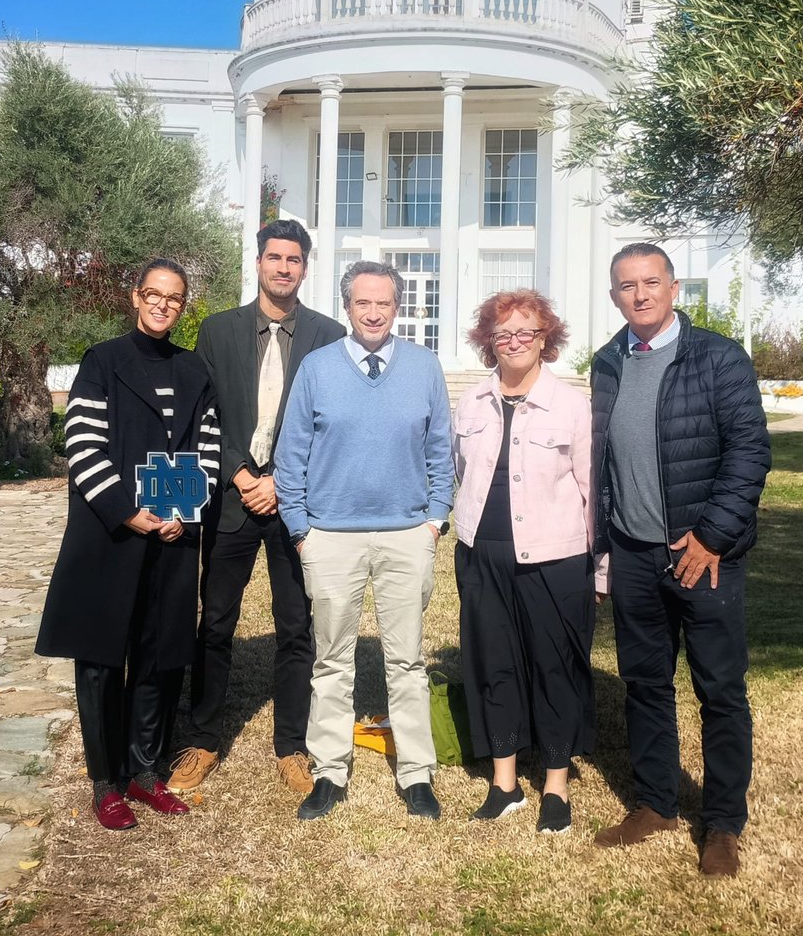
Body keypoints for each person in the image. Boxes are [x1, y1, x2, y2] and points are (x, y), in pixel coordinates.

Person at [590, 242, 771, 877]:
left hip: (705, 556)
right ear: (613, 294)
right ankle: (657, 803)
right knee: (645, 685)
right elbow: (603, 463)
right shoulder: (607, 363)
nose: (638, 295)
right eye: (625, 286)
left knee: (719, 690)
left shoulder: (718, 357)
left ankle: (721, 823)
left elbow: (748, 454)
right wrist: (603, 547)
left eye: (650, 283)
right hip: (635, 554)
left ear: (673, 288)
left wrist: (712, 537)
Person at [36, 258, 220, 830]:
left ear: (183, 306)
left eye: (175, 298)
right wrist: (130, 514)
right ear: (136, 297)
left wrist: (189, 506)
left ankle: (143, 774)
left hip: (173, 538)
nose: (164, 304)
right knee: (100, 659)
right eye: (154, 294)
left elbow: (209, 447)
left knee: (159, 656)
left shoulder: (195, 371)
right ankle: (105, 782)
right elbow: (83, 446)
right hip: (109, 535)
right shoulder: (103, 361)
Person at [168, 220, 345, 795]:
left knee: (296, 627)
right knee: (216, 621)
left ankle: (292, 745)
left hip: (297, 503)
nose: (284, 268)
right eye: (275, 257)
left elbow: (330, 424)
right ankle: (202, 739)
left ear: (305, 267)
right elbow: (203, 414)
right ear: (259, 262)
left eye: (294, 259)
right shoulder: (217, 332)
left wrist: (281, 483)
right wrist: (243, 474)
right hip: (230, 499)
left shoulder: (329, 334)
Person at [274, 260, 453, 821]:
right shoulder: (317, 368)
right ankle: (329, 772)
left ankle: (416, 774)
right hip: (330, 538)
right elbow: (290, 455)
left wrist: (433, 520)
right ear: (346, 306)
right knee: (332, 660)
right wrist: (303, 532)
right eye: (362, 303)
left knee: (407, 662)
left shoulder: (424, 367)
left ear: (398, 307)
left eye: (384, 303)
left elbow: (441, 449)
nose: (374, 313)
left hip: (406, 536)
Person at [452, 289, 606, 833]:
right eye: (503, 333)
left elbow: (592, 489)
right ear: (488, 342)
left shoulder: (572, 405)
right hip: (481, 555)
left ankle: (556, 787)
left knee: (554, 667)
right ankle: (505, 784)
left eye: (527, 332)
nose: (514, 342)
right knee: (494, 667)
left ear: (546, 340)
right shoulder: (470, 404)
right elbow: (458, 471)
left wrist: (600, 569)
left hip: (555, 558)